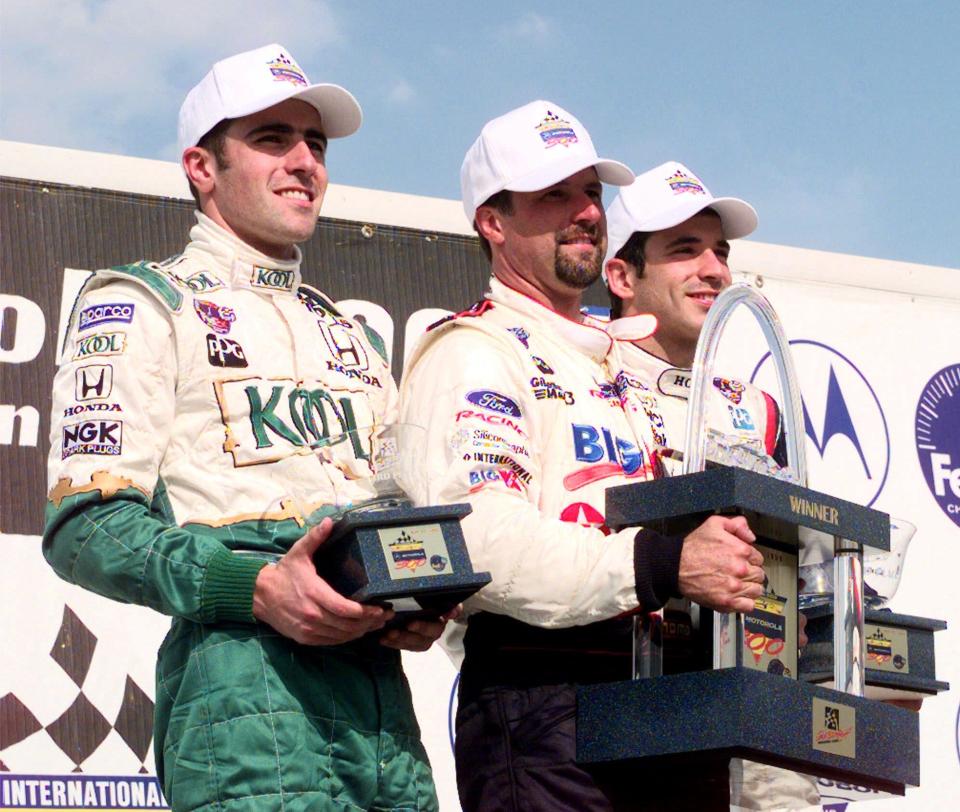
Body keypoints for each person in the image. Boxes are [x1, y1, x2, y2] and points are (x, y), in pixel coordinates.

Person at [44, 44, 446, 812]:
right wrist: (253, 586)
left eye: (316, 146)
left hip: (381, 710)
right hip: (237, 683)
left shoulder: (349, 334)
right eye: (272, 140)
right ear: (202, 166)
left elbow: (397, 513)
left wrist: (419, 600)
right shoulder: (141, 302)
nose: (304, 163)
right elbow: (84, 527)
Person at [399, 102, 769, 811]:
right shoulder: (477, 352)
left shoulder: (616, 366)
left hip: (669, 706)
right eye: (553, 195)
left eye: (592, 193)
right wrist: (661, 565)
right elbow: (479, 542)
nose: (585, 213)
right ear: (493, 222)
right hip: (547, 704)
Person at [604, 161, 821, 811]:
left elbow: (805, 552)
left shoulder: (756, 408)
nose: (713, 269)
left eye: (720, 251)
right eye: (683, 250)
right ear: (621, 275)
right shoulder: (582, 384)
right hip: (633, 713)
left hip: (756, 708)